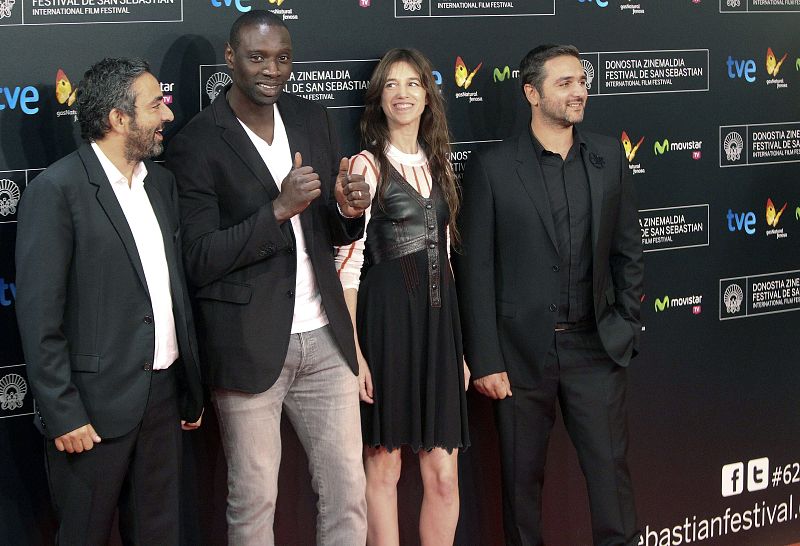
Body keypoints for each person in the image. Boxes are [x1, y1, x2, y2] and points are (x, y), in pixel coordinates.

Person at [165, 10, 371, 545]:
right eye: (257, 57)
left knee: (349, 494)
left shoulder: (312, 118)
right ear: (230, 58)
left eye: (282, 58)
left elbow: (332, 230)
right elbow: (200, 258)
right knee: (255, 502)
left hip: (327, 339)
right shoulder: (199, 141)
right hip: (248, 347)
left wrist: (349, 211)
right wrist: (276, 210)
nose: (272, 69)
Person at [453, 44, 644, 546]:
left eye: (581, 80)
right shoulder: (492, 167)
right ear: (531, 93)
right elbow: (475, 270)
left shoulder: (609, 159)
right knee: (520, 493)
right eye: (565, 83)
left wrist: (625, 322)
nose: (579, 91)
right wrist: (487, 358)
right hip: (519, 356)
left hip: (596, 349)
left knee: (611, 484)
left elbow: (628, 253)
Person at [15, 57, 203, 545]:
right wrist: (63, 412)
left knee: (159, 535)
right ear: (118, 119)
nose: (168, 114)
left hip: (163, 400)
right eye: (155, 104)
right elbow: (39, 316)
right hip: (91, 413)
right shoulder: (57, 190)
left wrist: (189, 384)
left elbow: (171, 290)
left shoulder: (161, 184)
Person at [335, 48, 470, 546]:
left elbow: (449, 261)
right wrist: (355, 355)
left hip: (438, 333)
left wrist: (456, 350)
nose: (402, 93)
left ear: (428, 95)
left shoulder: (440, 165)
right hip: (386, 330)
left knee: (444, 476)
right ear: (379, 98)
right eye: (391, 84)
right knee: (384, 470)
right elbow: (346, 267)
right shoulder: (367, 167)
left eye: (413, 83)